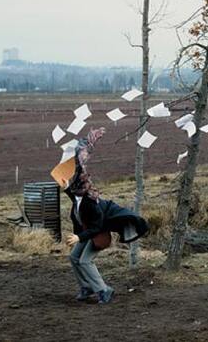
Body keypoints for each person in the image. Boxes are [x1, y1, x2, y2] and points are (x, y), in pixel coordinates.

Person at [64, 128, 149, 304]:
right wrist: (86, 144)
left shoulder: (91, 203)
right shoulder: (79, 197)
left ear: (83, 188)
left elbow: (96, 226)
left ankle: (104, 290)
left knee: (86, 261)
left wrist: (78, 237)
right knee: (74, 258)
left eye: (74, 184)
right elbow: (78, 174)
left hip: (98, 234)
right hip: (88, 233)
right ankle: (86, 287)